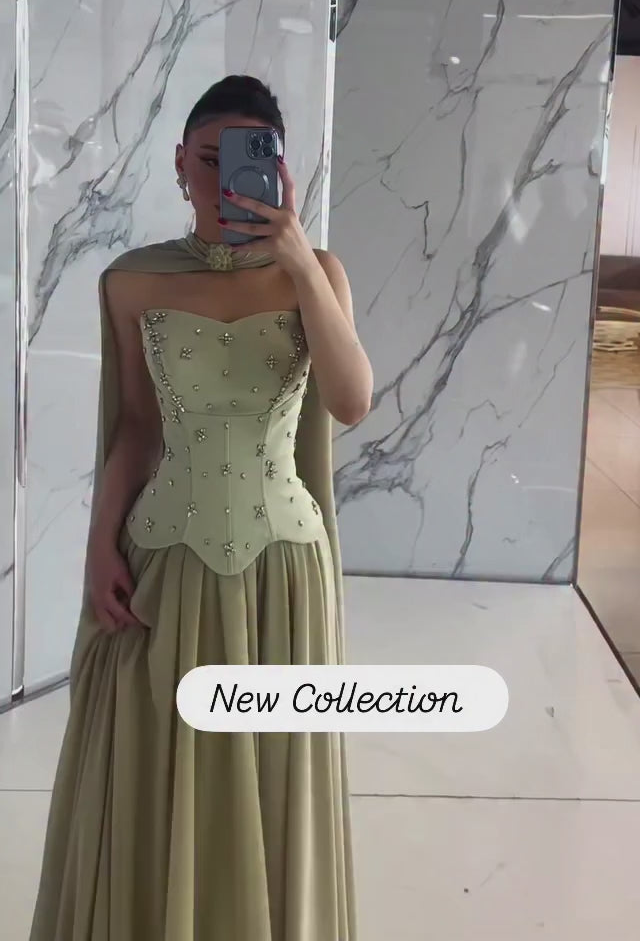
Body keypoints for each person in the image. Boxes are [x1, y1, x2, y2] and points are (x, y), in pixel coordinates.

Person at [30, 75, 372, 941]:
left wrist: (300, 261)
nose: (227, 181)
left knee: (273, 778)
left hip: (282, 574)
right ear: (180, 164)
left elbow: (352, 400)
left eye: (250, 161)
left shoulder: (316, 271)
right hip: (169, 562)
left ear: (282, 170)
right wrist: (97, 547)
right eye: (211, 160)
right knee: (156, 764)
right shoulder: (132, 281)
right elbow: (137, 428)